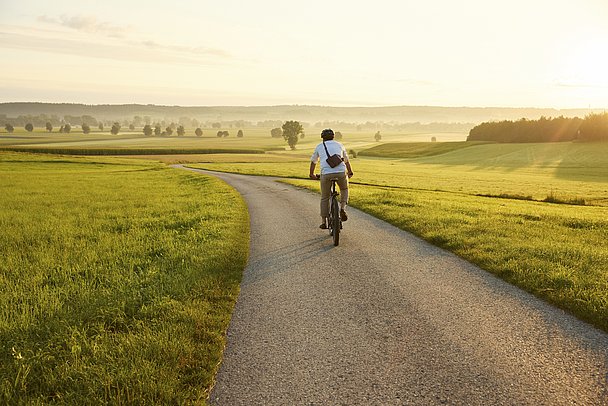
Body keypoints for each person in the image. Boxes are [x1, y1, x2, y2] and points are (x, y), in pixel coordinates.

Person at [309, 128, 354, 229]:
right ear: (333, 137)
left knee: (325, 197)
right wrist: (350, 172)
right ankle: (342, 208)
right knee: (344, 189)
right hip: (341, 173)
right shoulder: (339, 145)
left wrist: (311, 174)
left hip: (326, 174)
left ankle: (324, 222)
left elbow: (313, 161)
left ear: (322, 138)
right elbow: (346, 160)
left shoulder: (319, 146)